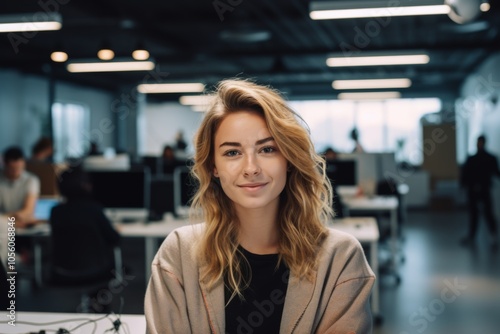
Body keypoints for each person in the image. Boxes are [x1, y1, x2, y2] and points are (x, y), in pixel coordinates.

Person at [144, 79, 375, 333]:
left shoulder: (340, 258)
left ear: (288, 158)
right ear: (213, 167)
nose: (251, 168)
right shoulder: (178, 255)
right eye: (232, 153)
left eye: (267, 149)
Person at [50, 167, 120, 283]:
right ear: (86, 186)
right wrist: (116, 230)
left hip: (62, 272)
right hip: (96, 271)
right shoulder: (94, 209)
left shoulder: (55, 211)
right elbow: (114, 239)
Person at [460, 135, 500, 247]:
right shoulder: (471, 159)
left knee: (488, 213)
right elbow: (465, 175)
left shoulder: (490, 158)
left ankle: (493, 236)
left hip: (484, 190)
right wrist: (463, 187)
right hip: (472, 190)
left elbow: (496, 172)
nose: (479, 144)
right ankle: (472, 236)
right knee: (474, 214)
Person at [0, 146, 40, 227]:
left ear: (24, 163)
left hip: (19, 223)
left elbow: (28, 211)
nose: (16, 171)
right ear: (5, 165)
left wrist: (5, 219)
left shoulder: (31, 180)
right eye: (12, 168)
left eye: (19, 168)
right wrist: (12, 222)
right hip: (6, 225)